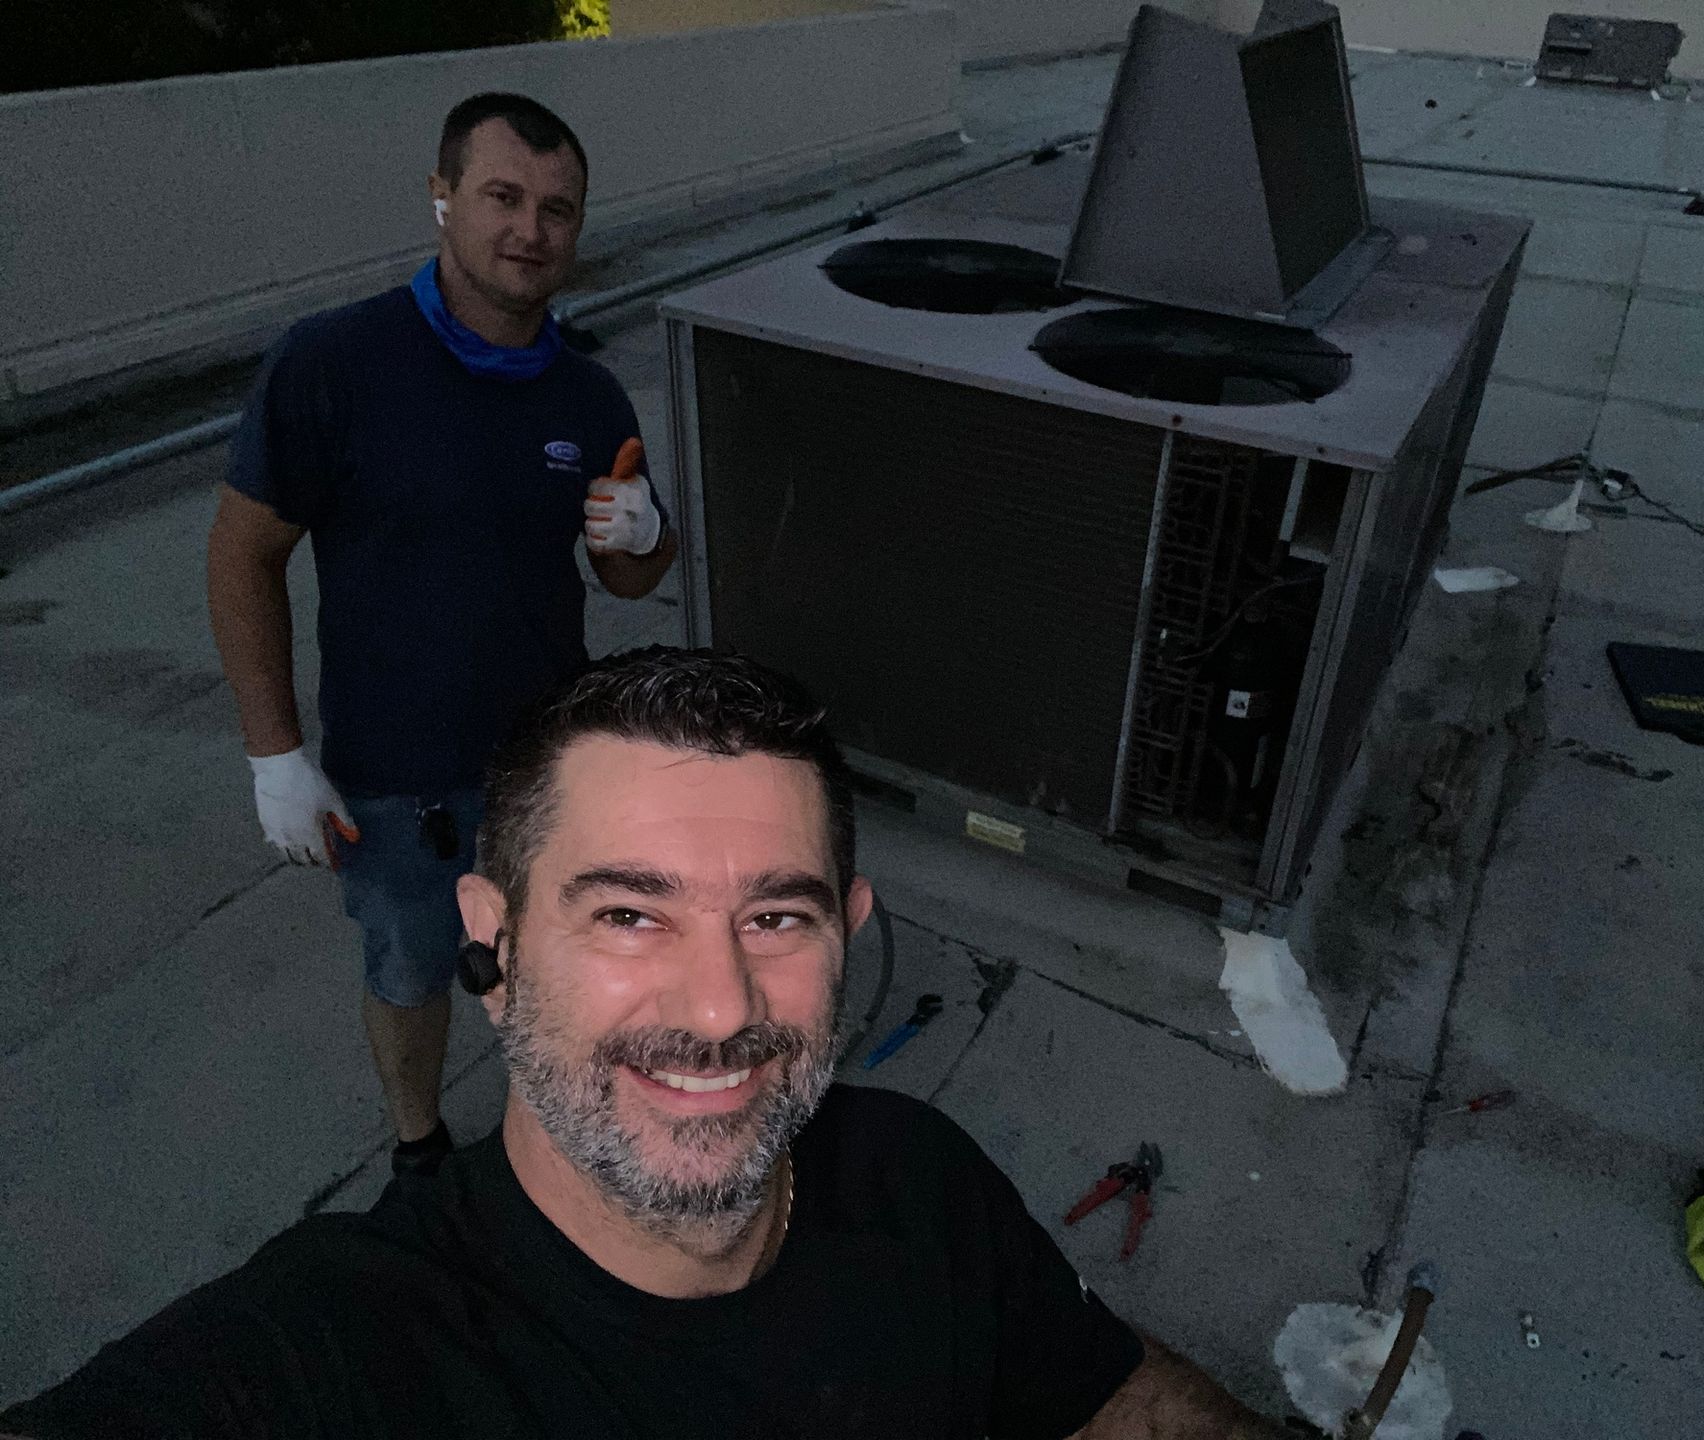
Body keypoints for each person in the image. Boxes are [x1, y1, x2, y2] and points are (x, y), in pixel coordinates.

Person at [3, 648, 1286, 1440]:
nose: (722, 1008)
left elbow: (1105, 1392)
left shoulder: (917, 1175)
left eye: (774, 916)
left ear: (849, 933)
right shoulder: (343, 1350)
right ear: (493, 948)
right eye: (628, 913)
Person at [205, 93, 675, 1179]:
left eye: (558, 209)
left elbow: (627, 570)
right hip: (395, 774)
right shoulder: (336, 364)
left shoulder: (588, 391)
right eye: (503, 197)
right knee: (414, 967)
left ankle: (551, 1139)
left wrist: (647, 531)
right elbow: (242, 553)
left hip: (551, 764)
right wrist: (274, 752)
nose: (530, 230)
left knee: (553, 969)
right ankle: (420, 1148)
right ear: (442, 197)